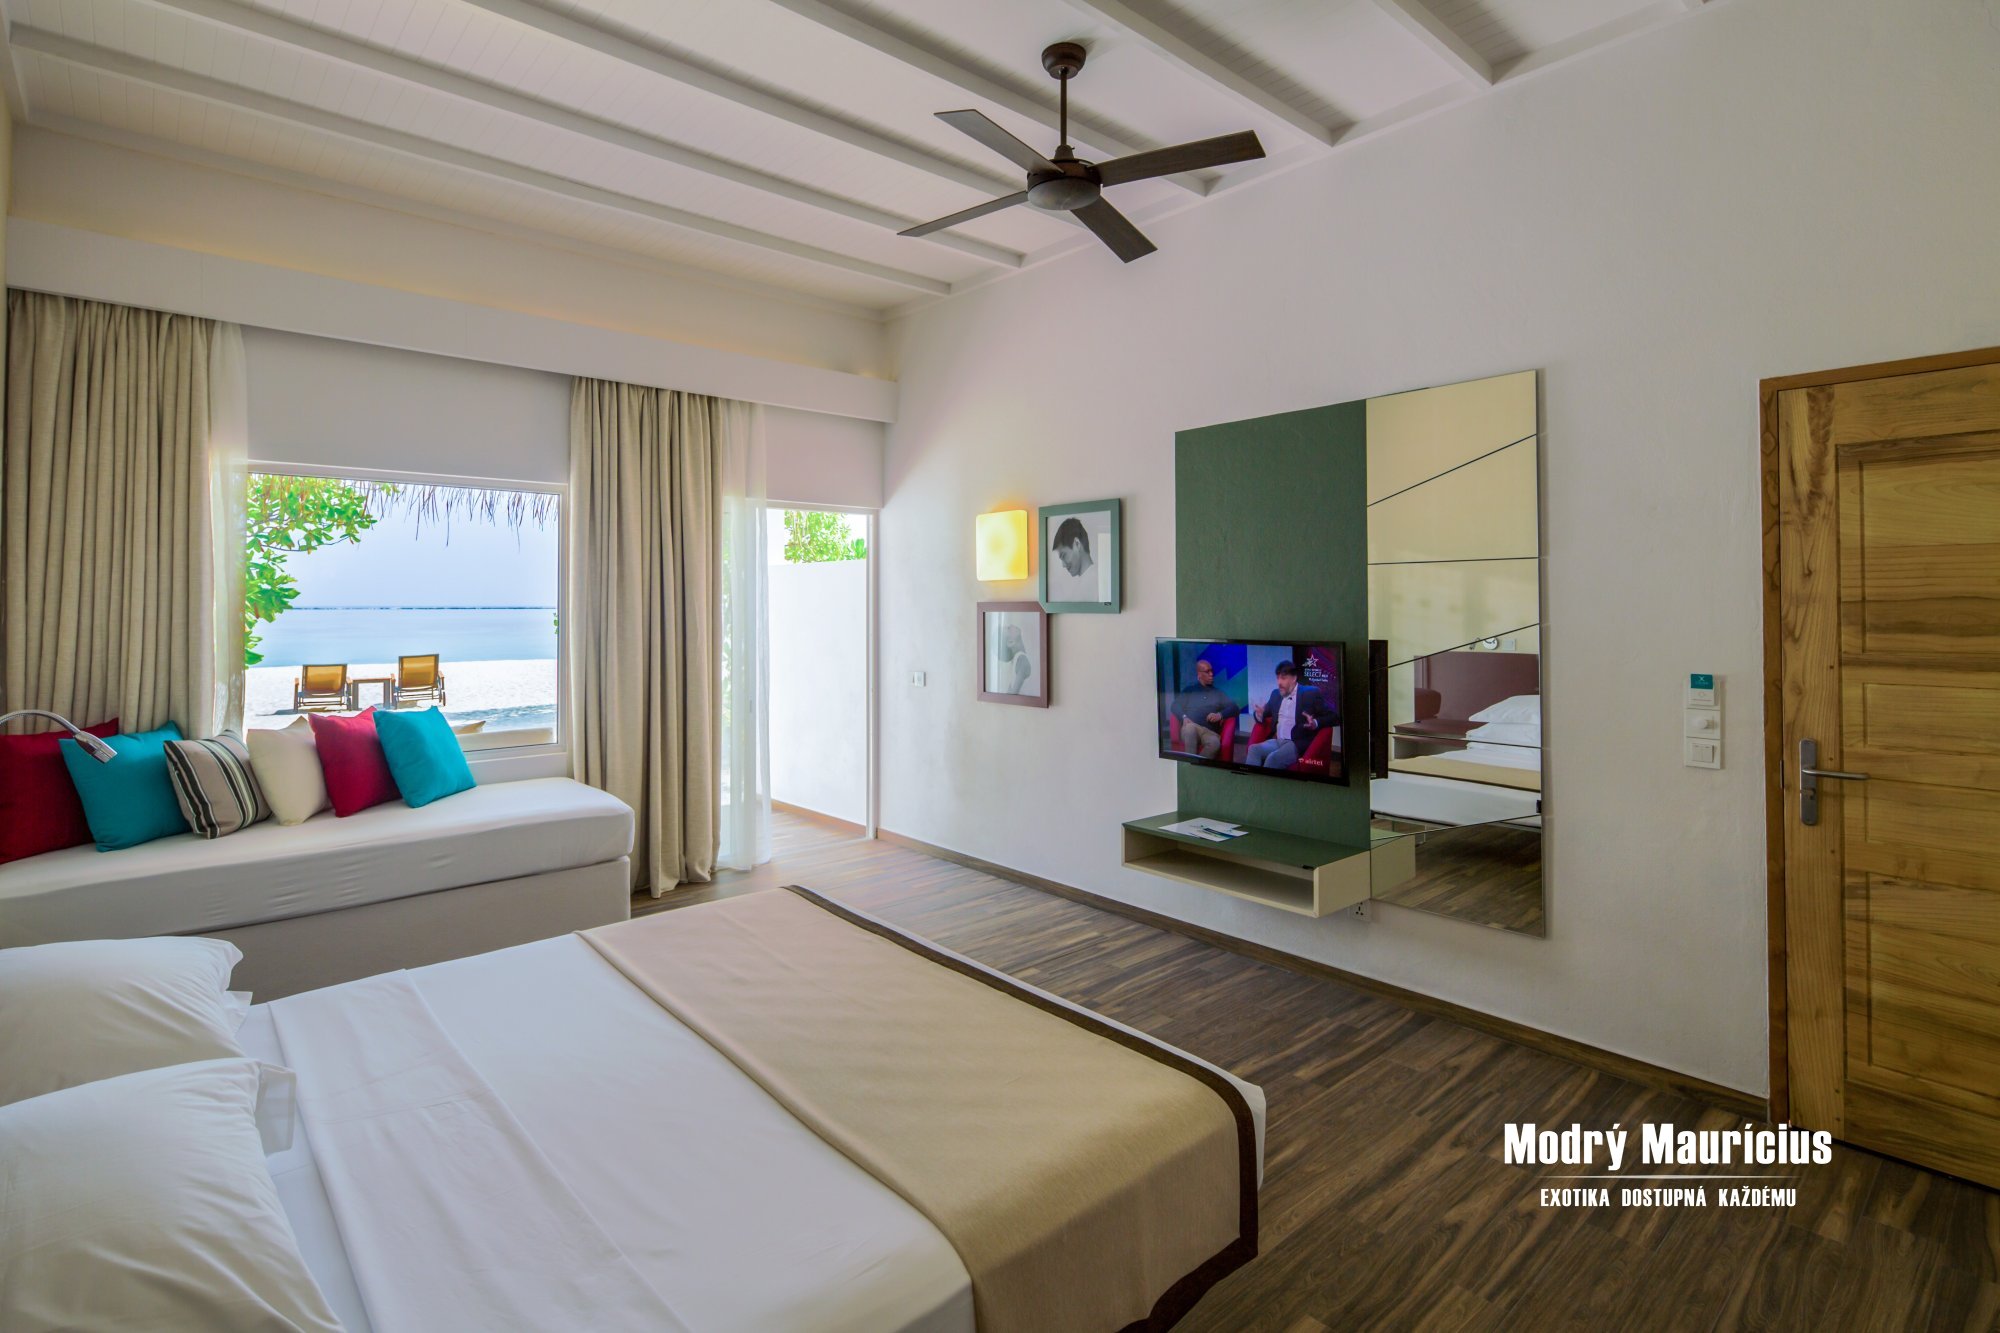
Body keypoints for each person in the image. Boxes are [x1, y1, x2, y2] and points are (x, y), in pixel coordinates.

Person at [1247, 660, 1336, 769]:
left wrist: (1315, 723)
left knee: (1273, 759)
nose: (1279, 682)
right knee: (1253, 750)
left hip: (1296, 743)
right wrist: (1259, 714)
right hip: (1277, 741)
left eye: (1283, 678)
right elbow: (1264, 714)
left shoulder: (1310, 693)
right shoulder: (1275, 694)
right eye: (1278, 678)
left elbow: (1334, 717)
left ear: (1294, 678)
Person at [1170, 657, 1236, 759]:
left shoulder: (1218, 693)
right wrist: (1184, 717)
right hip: (1191, 726)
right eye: (1207, 671)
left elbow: (1234, 707)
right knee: (1190, 729)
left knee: (1215, 743)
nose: (1211, 674)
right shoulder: (1190, 690)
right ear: (1199, 674)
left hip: (1210, 732)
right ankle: (1191, 764)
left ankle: (1195, 765)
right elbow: (1175, 705)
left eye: (1212, 671)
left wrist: (1220, 715)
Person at [1051, 516, 1093, 582]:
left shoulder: (1093, 581)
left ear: (1077, 543)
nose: (1063, 565)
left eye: (1064, 555)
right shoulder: (1086, 581)